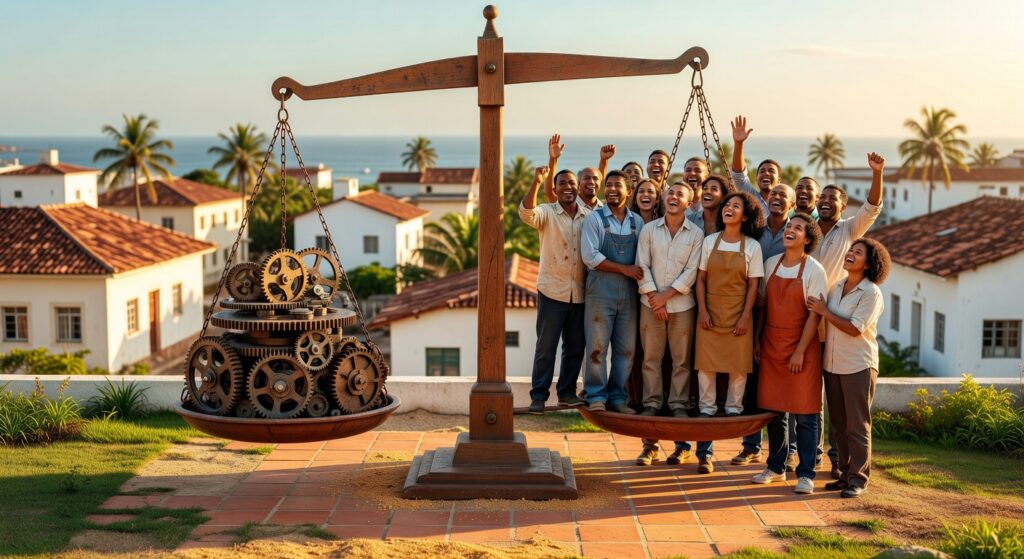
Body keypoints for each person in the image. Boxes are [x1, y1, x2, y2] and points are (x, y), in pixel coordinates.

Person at [812, 152, 886, 478]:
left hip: (837, 331)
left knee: (855, 420)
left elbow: (871, 206)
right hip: (818, 331)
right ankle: (839, 468)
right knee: (832, 414)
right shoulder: (806, 230)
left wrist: (877, 172)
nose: (827, 201)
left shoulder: (849, 231)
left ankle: (855, 475)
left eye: (834, 198)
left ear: (843, 206)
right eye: (823, 197)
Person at [750, 213, 828, 494]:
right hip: (771, 346)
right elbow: (762, 307)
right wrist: (758, 340)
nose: (790, 230)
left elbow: (814, 317)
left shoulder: (814, 270)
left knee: (805, 414)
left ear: (808, 238)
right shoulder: (772, 264)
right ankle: (775, 467)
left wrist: (798, 352)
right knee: (775, 412)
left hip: (802, 350)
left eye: (798, 228)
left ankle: (806, 473)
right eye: (788, 227)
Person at [808, 237, 890, 498]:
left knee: (857, 425)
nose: (850, 254)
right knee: (838, 425)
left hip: (858, 365)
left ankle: (858, 478)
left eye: (858, 252)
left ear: (868, 264)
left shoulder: (871, 293)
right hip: (832, 364)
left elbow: (855, 328)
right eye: (850, 250)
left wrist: (823, 310)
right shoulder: (837, 286)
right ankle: (844, 473)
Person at [633, 183, 703, 465]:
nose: (673, 197)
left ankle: (677, 405)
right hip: (650, 304)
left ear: (689, 202)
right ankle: (651, 404)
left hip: (681, 306)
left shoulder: (696, 234)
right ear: (664, 198)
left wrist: (666, 297)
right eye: (670, 193)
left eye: (680, 195)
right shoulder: (649, 231)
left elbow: (691, 271)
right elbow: (642, 265)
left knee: (681, 360)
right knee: (651, 359)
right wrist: (655, 298)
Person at [732, 182, 796, 467]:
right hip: (753, 306)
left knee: (782, 391)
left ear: (793, 205)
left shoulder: (795, 232)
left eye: (785, 195)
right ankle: (751, 445)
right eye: (775, 194)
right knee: (752, 379)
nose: (778, 198)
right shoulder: (755, 229)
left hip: (783, 312)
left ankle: (785, 453)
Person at [519, 166, 590, 414]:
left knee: (575, 348)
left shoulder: (589, 216)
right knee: (545, 347)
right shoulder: (547, 213)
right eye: (562, 184)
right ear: (555, 189)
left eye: (572, 183)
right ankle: (538, 396)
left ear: (578, 187)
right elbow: (527, 213)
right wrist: (536, 182)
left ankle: (567, 393)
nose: (568, 187)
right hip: (552, 292)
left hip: (580, 294)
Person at [694, 192, 765, 420]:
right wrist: (703, 311)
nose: (729, 208)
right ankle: (707, 408)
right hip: (710, 311)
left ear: (745, 217)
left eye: (736, 206)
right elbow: (700, 279)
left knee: (739, 366)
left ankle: (734, 408)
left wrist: (745, 317)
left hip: (739, 312)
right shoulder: (708, 242)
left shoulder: (753, 247)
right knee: (706, 365)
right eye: (727, 205)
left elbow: (754, 286)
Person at [582, 170, 644, 413]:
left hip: (629, 293)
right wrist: (624, 269)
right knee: (597, 347)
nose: (611, 189)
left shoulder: (636, 222)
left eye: (617, 185)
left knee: (626, 349)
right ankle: (596, 396)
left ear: (628, 192)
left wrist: (631, 273)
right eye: (608, 185)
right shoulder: (594, 219)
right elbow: (590, 256)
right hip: (600, 290)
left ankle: (618, 398)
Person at [730, 115, 779, 211]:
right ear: (756, 179)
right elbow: (738, 176)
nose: (766, 173)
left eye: (771, 171)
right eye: (762, 171)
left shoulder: (785, 204)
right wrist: (738, 144)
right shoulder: (750, 196)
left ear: (779, 180)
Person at [543, 133, 604, 210]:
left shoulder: (604, 208)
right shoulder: (567, 203)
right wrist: (553, 159)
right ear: (578, 184)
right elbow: (549, 192)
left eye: (595, 178)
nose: (591, 181)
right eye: (586, 178)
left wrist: (604, 161)